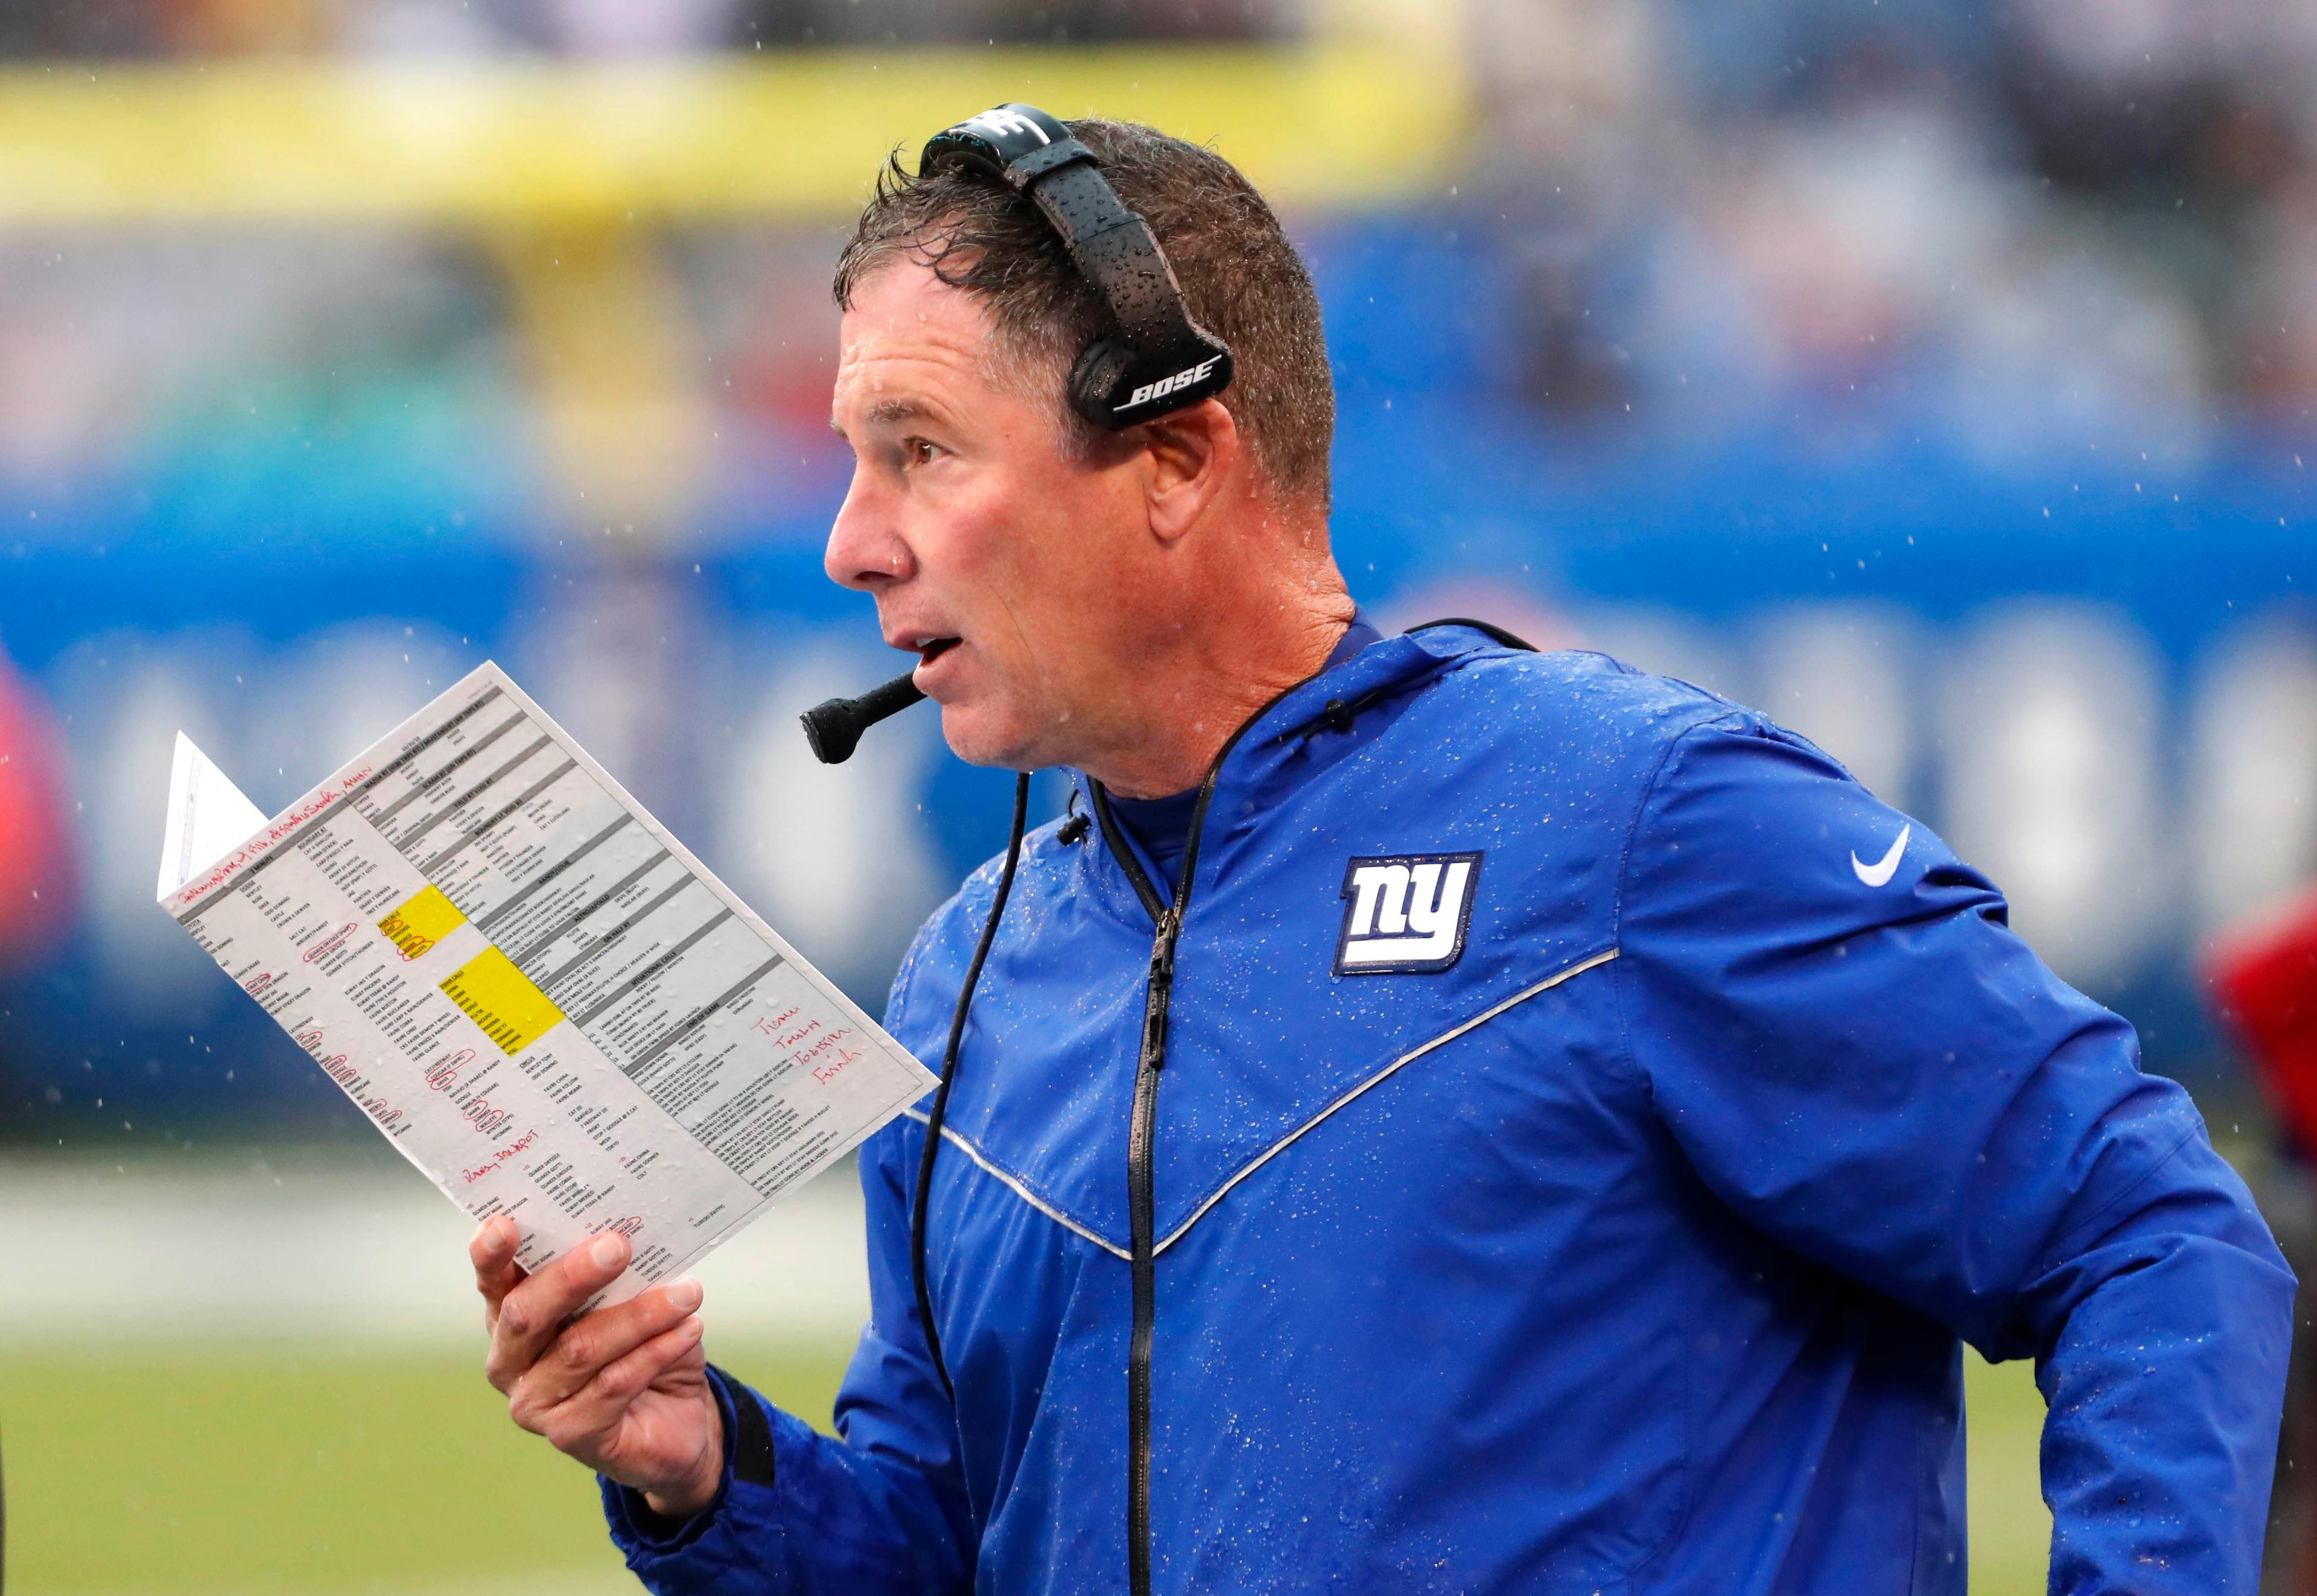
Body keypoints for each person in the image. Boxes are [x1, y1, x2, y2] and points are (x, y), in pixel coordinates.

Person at [467, 112, 2295, 1595]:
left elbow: (2145, 1232)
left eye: (922, 450)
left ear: (1179, 460)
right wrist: (706, 1473)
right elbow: (950, 1550)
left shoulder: (1636, 824)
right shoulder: (969, 974)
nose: (854, 543)